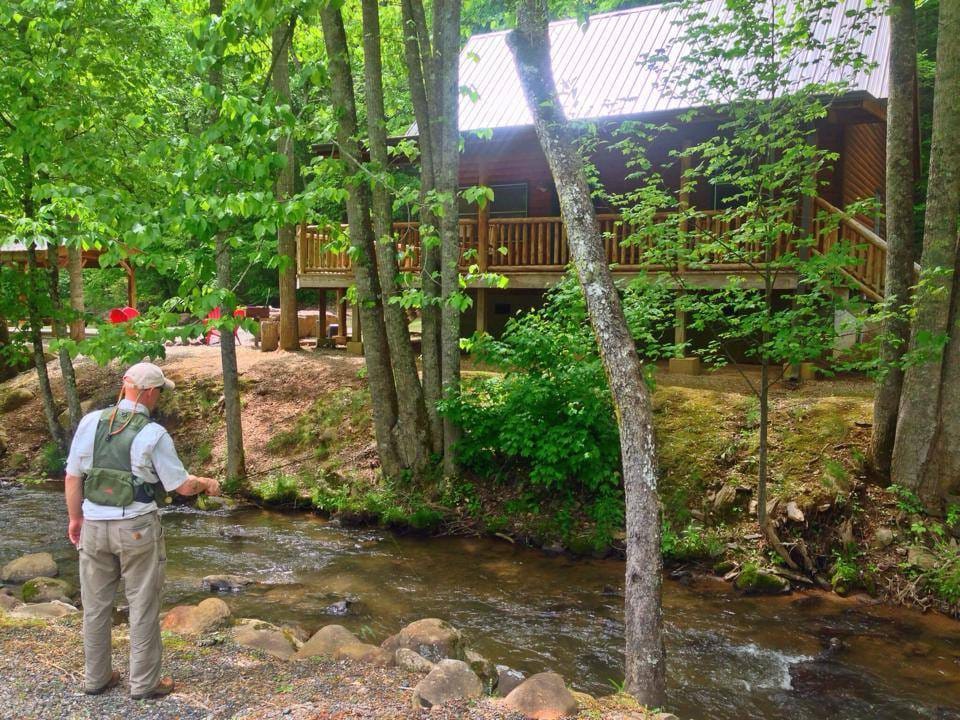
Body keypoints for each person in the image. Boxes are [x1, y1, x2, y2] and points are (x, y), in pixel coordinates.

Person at [64, 362, 220, 700]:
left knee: (95, 607)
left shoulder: (90, 422)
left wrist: (75, 519)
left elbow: (73, 477)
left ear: (126, 385)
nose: (160, 398)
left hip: (92, 526)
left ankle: (97, 678)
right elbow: (181, 486)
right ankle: (144, 683)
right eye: (160, 391)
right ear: (149, 392)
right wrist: (207, 483)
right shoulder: (154, 434)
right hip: (136, 528)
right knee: (143, 605)